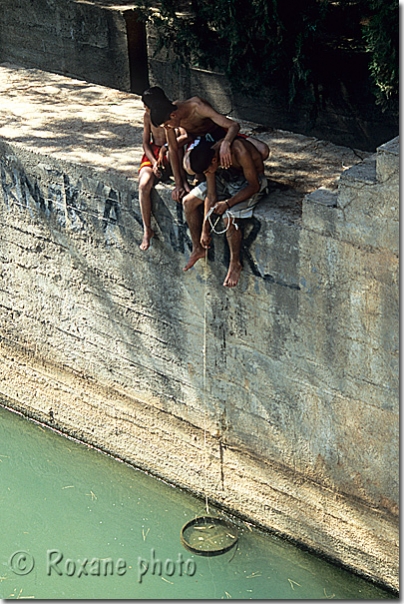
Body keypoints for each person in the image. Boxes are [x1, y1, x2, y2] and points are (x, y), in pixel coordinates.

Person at [149, 91, 269, 202]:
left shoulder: (197, 106)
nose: (167, 129)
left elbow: (234, 125)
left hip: (218, 133)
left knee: (263, 151)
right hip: (200, 140)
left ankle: (241, 173)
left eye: (166, 125)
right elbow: (173, 149)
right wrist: (179, 184)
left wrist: (226, 143)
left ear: (174, 115)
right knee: (189, 167)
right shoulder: (168, 117)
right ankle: (213, 174)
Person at [182, 137, 268, 288]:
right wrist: (205, 229)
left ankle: (235, 263)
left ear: (215, 160)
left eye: (208, 170)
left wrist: (228, 203)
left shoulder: (238, 151)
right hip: (226, 179)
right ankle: (198, 248)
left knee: (229, 216)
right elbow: (212, 195)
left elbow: (254, 186)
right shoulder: (209, 157)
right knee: (188, 201)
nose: (207, 173)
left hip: (250, 183)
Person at [138, 87, 188, 250]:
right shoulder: (147, 117)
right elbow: (146, 142)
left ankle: (182, 182)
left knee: (176, 153)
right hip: (153, 152)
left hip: (170, 151)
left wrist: (166, 149)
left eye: (147, 106)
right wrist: (153, 161)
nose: (146, 109)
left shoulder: (170, 113)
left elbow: (185, 135)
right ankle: (147, 229)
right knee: (144, 185)